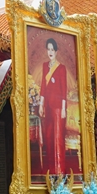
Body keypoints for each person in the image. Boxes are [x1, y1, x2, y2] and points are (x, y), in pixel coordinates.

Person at [38, 38, 67, 175]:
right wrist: (41, 104)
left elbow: (64, 90)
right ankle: (50, 168)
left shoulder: (61, 68)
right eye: (48, 49)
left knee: (57, 138)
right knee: (48, 135)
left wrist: (63, 108)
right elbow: (43, 87)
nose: (50, 52)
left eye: (52, 49)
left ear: (56, 51)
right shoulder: (45, 66)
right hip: (48, 107)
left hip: (57, 108)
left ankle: (60, 169)